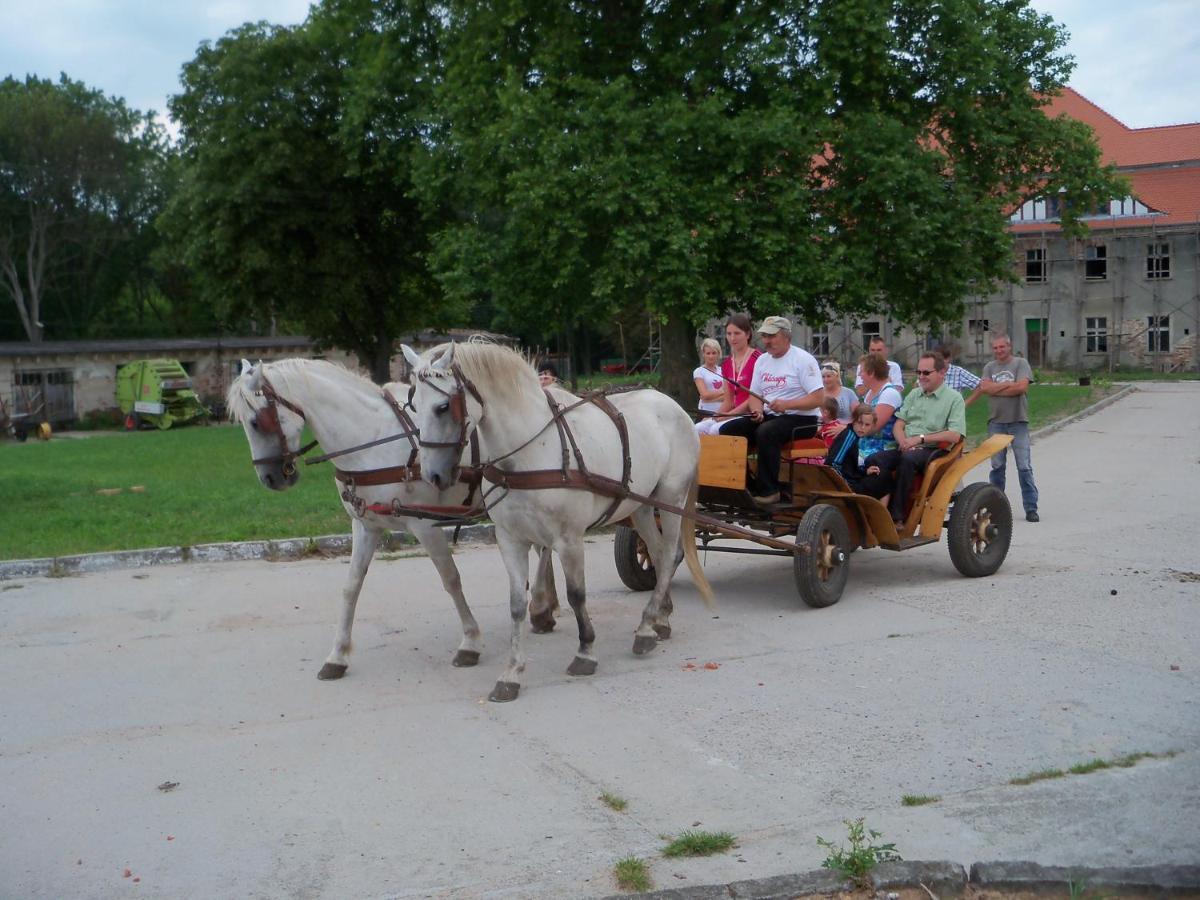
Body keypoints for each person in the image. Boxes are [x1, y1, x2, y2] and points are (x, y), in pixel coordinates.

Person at [718, 316, 824, 505]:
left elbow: (817, 399)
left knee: (766, 432)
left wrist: (787, 404)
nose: (767, 341)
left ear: (786, 336)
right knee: (728, 430)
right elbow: (755, 395)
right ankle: (745, 486)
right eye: (765, 336)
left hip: (802, 419)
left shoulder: (803, 360)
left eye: (772, 336)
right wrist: (757, 411)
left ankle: (770, 491)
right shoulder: (763, 361)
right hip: (771, 415)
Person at [875, 352, 967, 524]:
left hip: (935, 450)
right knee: (875, 459)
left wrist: (919, 439)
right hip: (907, 446)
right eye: (919, 372)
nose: (921, 377)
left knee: (908, 460)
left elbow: (955, 435)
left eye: (926, 373)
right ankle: (874, 510)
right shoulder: (914, 394)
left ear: (942, 373)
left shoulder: (954, 399)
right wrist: (904, 442)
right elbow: (898, 425)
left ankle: (898, 517)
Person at [969, 333, 1039, 522]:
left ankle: (1031, 508)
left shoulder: (1020, 363)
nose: (999, 351)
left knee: (1024, 466)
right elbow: (985, 389)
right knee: (997, 466)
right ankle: (996, 508)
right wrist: (1008, 384)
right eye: (995, 348)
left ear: (1009, 346)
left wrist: (997, 386)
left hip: (1018, 421)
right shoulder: (989, 367)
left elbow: (1021, 388)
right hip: (996, 421)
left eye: (1002, 347)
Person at [695, 313, 761, 436]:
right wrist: (716, 416)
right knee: (698, 428)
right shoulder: (726, 365)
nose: (732, 338)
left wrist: (728, 415)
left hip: (750, 414)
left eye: (737, 333)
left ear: (747, 334)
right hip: (732, 413)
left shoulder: (758, 359)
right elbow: (728, 401)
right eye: (729, 334)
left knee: (715, 429)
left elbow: (755, 396)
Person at [824, 404, 892, 498]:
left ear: (872, 426)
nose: (863, 427)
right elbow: (833, 464)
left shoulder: (853, 436)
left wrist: (865, 471)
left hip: (849, 480)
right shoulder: (849, 436)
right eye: (860, 423)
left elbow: (849, 467)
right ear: (854, 421)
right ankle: (876, 512)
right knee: (885, 478)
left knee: (884, 475)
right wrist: (847, 488)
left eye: (867, 425)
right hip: (846, 487)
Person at [692, 338, 725, 418]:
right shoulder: (699, 371)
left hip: (722, 411)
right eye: (708, 353)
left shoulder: (723, 370)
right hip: (706, 412)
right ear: (703, 354)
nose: (711, 356)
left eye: (714, 353)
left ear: (718, 354)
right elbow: (704, 394)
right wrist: (722, 391)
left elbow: (729, 395)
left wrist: (711, 399)